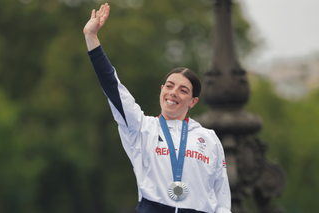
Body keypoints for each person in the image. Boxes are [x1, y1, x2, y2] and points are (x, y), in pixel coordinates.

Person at [83, 3, 232, 213]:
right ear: (162, 90)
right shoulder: (141, 128)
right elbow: (113, 87)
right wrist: (92, 38)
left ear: (193, 101)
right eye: (169, 86)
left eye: (183, 90)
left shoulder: (209, 139)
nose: (173, 93)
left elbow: (222, 196)